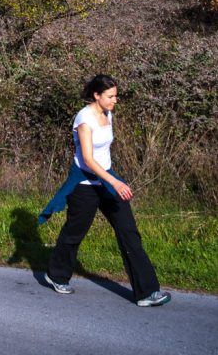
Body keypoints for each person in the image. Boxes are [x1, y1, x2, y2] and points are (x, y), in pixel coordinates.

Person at [39, 74, 171, 307]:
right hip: (85, 184)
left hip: (107, 179)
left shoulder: (108, 114)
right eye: (110, 96)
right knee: (75, 232)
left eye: (116, 96)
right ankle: (56, 274)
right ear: (96, 95)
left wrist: (111, 180)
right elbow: (88, 160)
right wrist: (116, 182)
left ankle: (146, 292)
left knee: (128, 231)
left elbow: (103, 153)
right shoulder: (84, 119)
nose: (115, 101)